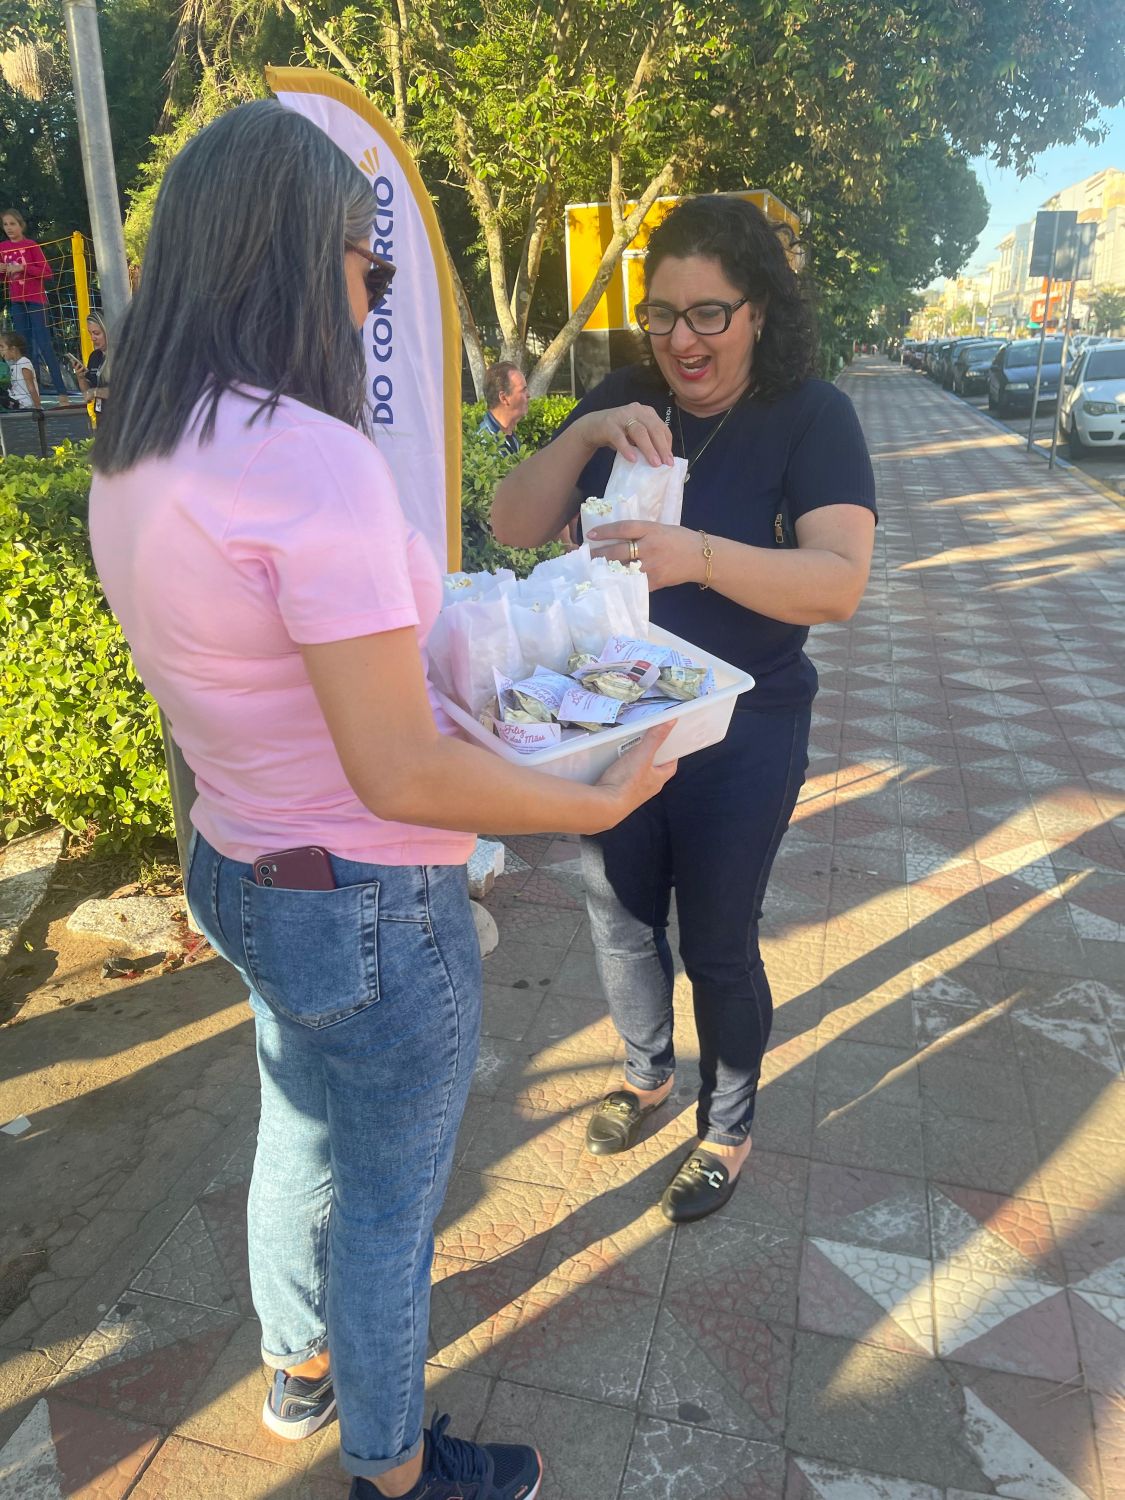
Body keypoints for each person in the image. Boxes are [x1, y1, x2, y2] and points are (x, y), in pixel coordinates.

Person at [87, 100, 674, 1500]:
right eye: (373, 265)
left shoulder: (137, 446)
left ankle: (296, 1373)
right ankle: (394, 1472)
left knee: (297, 1124)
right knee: (392, 1210)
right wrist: (598, 802)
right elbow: (400, 769)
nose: (376, 289)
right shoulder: (308, 461)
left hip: (239, 865)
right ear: (300, 258)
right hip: (365, 898)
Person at [492, 194, 876, 1224]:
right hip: (617, 719)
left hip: (744, 726)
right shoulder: (623, 393)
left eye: (710, 313)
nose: (683, 340)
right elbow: (511, 521)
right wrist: (579, 438)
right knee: (616, 918)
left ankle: (728, 1125)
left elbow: (838, 583)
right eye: (663, 315)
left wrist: (697, 557)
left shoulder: (811, 414)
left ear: (758, 312)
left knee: (715, 937)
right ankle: (646, 1073)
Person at [0, 209, 71, 407]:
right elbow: (4, 278)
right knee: (24, 347)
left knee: (44, 343)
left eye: (12, 224)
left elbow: (47, 273)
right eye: (5, 225)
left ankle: (62, 393)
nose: (9, 228)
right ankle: (33, 393)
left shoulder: (31, 245)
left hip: (35, 300)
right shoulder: (2, 248)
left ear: (21, 225)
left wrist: (24, 268)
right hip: (17, 301)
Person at [477, 360, 528, 455]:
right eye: (523, 390)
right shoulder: (485, 444)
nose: (528, 395)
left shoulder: (509, 436)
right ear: (504, 398)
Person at [71, 310, 110, 414]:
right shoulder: (94, 356)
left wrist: (96, 392)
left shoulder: (121, 356)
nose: (92, 338)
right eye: (90, 333)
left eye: (96, 333)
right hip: (101, 416)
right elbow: (88, 395)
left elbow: (123, 392)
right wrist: (81, 377)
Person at [0, 331, 42, 412]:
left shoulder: (24, 362)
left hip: (24, 405)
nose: (0, 350)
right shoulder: (12, 364)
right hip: (14, 401)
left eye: (2, 347)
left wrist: (38, 407)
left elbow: (31, 388)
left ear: (13, 349)